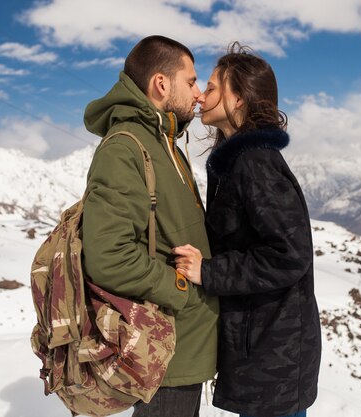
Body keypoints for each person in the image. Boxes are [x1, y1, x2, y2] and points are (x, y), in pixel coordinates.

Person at [173, 43, 322, 417]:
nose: (201, 96)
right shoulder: (237, 160)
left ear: (238, 99)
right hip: (264, 347)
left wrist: (208, 272)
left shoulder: (254, 162)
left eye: (210, 87)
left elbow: (290, 254)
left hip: (274, 355)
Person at [81, 35, 219, 417]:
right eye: (191, 81)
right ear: (161, 83)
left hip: (187, 345)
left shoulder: (166, 143)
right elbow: (108, 256)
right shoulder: (125, 148)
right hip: (165, 352)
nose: (198, 93)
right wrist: (181, 291)